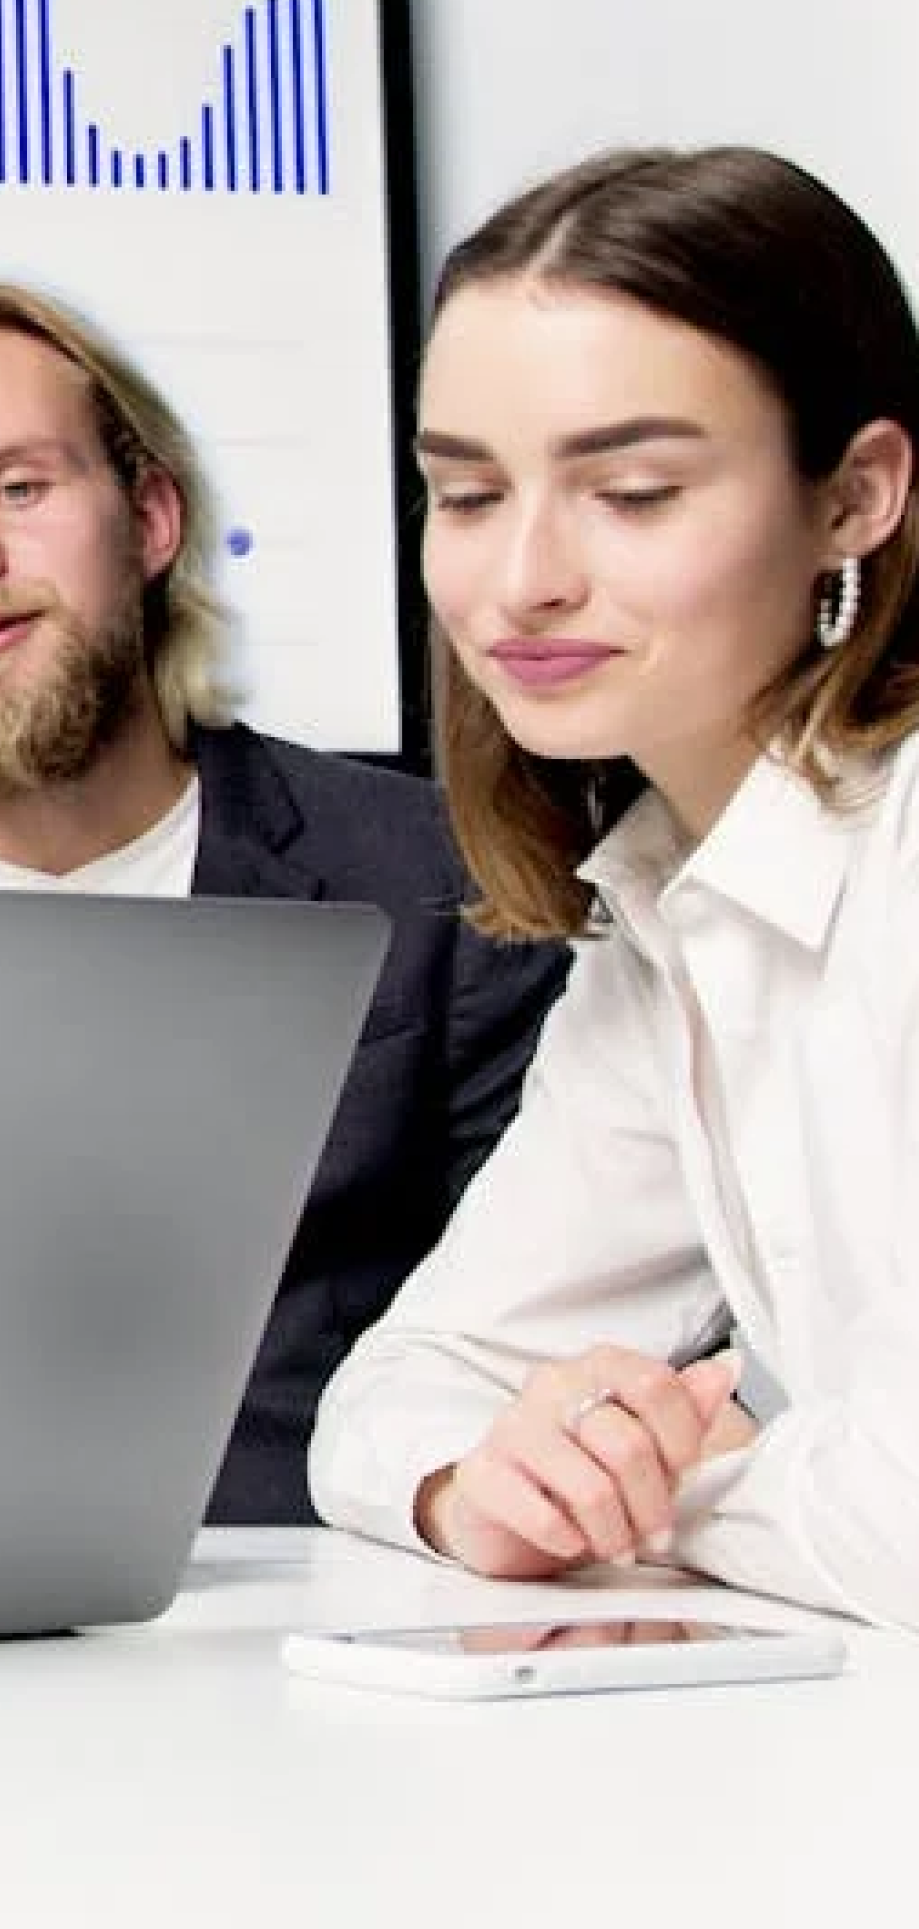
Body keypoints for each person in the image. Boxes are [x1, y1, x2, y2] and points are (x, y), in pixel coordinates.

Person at [0, 280, 569, 1522]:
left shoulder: (443, 882)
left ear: (151, 516)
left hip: (332, 1598)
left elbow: (552, 1339)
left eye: (18, 488)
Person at [312, 146, 919, 1628]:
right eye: (463, 492)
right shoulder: (671, 906)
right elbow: (407, 1392)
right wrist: (487, 1485)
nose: (519, 581)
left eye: (633, 492)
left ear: (855, 496)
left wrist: (686, 1484)